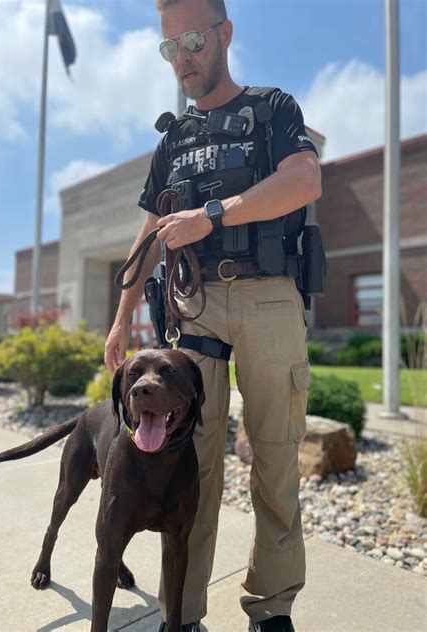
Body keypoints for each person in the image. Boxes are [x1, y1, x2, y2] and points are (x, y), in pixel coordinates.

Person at [104, 0, 322, 630]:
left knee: (276, 459)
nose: (183, 58)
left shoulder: (272, 109)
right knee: (187, 463)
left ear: (224, 34)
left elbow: (305, 180)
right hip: (193, 308)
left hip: (269, 299)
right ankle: (184, 613)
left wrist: (214, 215)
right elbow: (147, 235)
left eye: (194, 40)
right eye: (169, 47)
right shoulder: (172, 139)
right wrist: (121, 319)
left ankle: (270, 608)